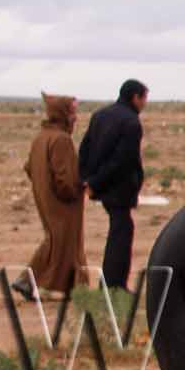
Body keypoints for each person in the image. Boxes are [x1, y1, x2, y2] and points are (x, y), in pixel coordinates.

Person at [77, 79, 148, 293]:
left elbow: (85, 149)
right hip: (119, 188)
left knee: (120, 229)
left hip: (102, 186)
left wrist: (87, 180)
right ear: (135, 97)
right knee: (121, 232)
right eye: (144, 98)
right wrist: (96, 181)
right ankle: (113, 285)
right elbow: (122, 160)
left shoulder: (100, 115)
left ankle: (111, 283)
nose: (145, 103)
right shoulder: (131, 123)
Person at [15, 94, 85, 300]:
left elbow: (29, 167)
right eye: (72, 112)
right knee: (60, 240)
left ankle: (42, 283)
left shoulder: (42, 137)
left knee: (57, 240)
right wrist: (75, 190)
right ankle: (30, 281)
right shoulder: (61, 139)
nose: (75, 117)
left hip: (45, 196)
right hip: (62, 201)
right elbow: (65, 178)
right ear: (63, 113)